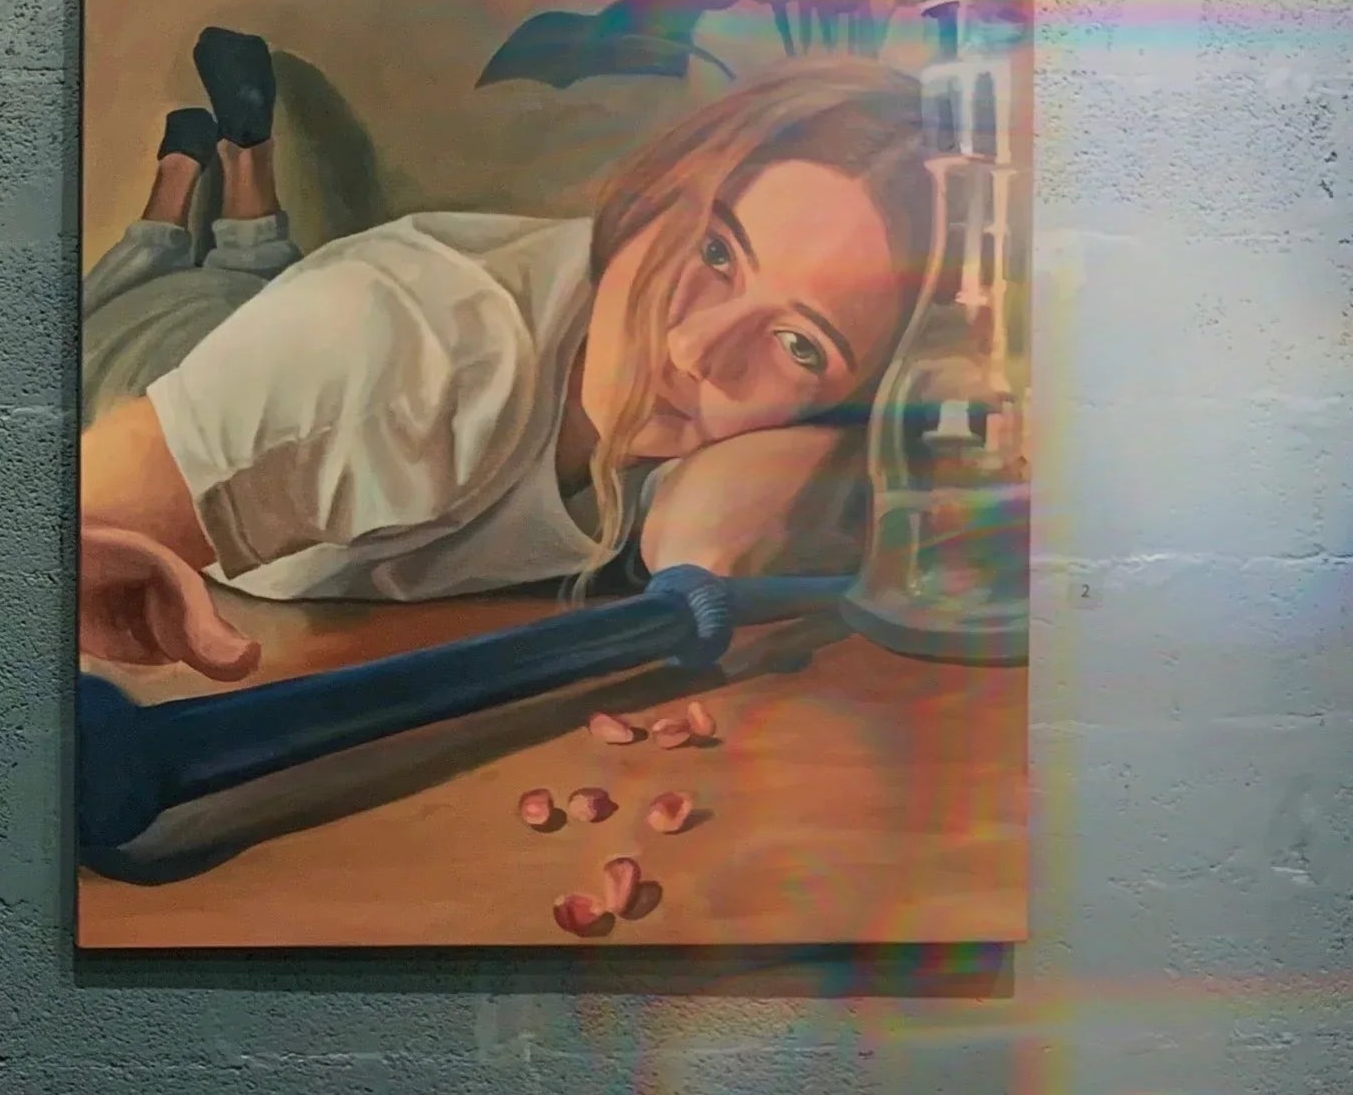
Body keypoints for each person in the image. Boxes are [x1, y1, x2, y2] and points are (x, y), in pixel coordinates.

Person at [81, 35, 931, 678]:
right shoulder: (402, 347)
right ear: (661, 190)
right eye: (715, 253)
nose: (696, 348)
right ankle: (199, 169)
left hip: (294, 353)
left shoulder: (767, 421)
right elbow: (28, 546)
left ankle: (247, 181)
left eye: (799, 345)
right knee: (168, 270)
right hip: (137, 359)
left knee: (256, 276)